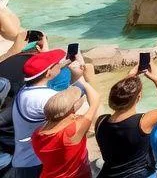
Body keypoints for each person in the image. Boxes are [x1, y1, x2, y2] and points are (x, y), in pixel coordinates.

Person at [97, 61, 157, 178]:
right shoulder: (142, 122)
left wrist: (129, 78)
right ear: (139, 97)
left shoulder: (101, 121)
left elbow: (120, 94)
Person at [13, 47, 78, 178]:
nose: (59, 64)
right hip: (37, 164)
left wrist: (66, 63)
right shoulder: (48, 98)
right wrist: (81, 77)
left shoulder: (25, 90)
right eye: (56, 64)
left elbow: (43, 74)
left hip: (23, 160)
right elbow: (75, 99)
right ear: (48, 73)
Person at [31, 66, 98, 178]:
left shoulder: (37, 134)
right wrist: (84, 81)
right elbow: (95, 100)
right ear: (74, 107)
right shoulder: (73, 130)